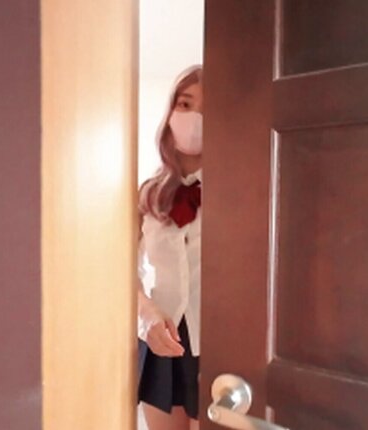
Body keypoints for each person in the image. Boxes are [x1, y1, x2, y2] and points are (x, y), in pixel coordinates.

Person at [137, 65, 203, 430]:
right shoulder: (147, 194)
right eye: (185, 104)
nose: (194, 118)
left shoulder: (247, 189)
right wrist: (147, 314)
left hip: (222, 339)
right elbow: (119, 271)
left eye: (207, 109)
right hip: (162, 339)